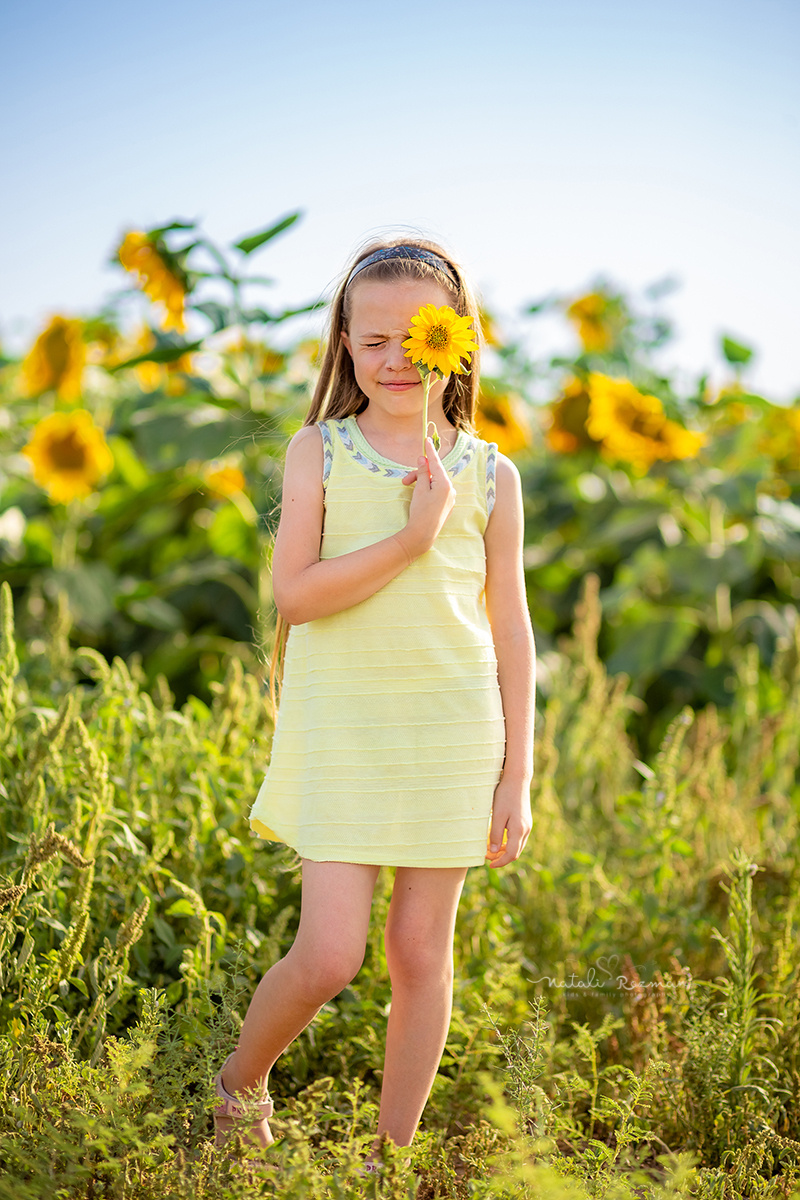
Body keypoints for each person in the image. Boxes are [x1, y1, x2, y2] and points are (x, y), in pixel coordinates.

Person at [212, 237, 536, 1168]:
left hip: (454, 737)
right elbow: (297, 596)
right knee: (329, 956)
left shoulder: (491, 474)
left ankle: (389, 1163)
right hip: (345, 732)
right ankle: (240, 1084)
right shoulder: (318, 451)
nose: (398, 360)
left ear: (458, 342)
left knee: (421, 955)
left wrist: (519, 772)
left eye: (420, 337)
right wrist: (412, 538)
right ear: (345, 347)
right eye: (373, 341)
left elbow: (511, 633)